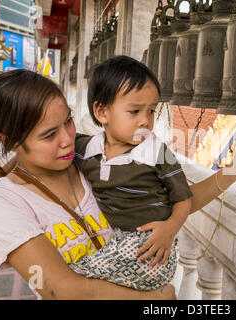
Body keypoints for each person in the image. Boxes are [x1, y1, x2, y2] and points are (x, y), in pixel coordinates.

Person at [0, 69, 236, 300]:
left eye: (68, 121)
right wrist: (154, 299)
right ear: (10, 141)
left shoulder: (90, 156)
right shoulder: (3, 202)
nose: (67, 139)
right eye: (49, 135)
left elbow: (170, 202)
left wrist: (232, 171)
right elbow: (60, 289)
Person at [67, 56, 193, 291]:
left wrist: (170, 229)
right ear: (101, 112)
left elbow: (184, 198)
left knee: (71, 277)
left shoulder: (156, 151)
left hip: (150, 247)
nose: (145, 120)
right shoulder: (86, 149)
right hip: (114, 244)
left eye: (152, 111)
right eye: (134, 111)